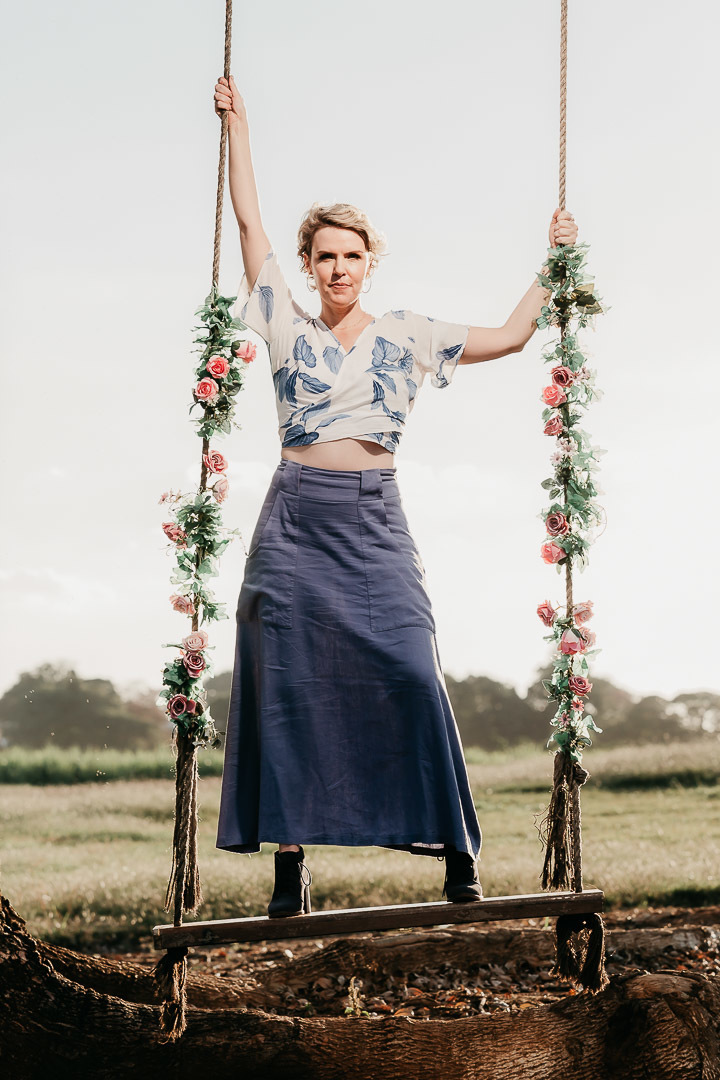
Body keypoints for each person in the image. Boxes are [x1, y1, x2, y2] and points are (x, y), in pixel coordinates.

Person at [212, 74, 578, 918]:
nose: (338, 268)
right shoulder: (280, 319)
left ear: (370, 263)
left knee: (414, 672)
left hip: (374, 521)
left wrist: (552, 257)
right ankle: (292, 865)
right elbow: (248, 219)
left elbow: (515, 335)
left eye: (352, 256)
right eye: (325, 257)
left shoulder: (409, 333)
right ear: (308, 266)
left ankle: (456, 850)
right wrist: (239, 123)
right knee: (290, 684)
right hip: (296, 519)